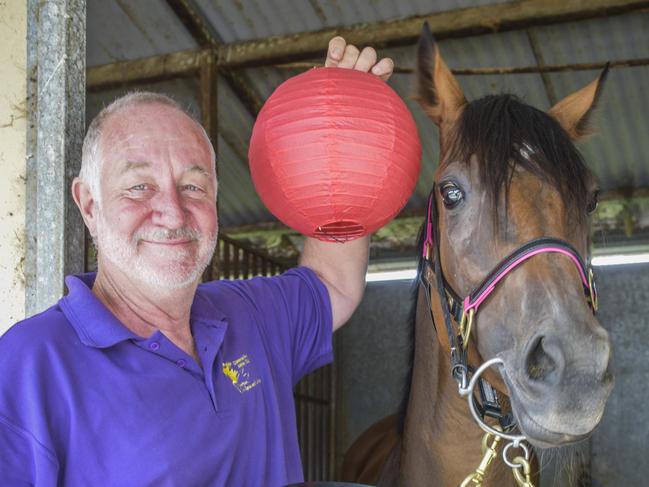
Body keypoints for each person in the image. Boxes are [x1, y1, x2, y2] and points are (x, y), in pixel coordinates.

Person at [0, 38, 394, 487]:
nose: (172, 212)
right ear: (89, 204)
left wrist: (343, 139)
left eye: (193, 186)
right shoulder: (28, 366)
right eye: (138, 187)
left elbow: (334, 280)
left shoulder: (252, 316)